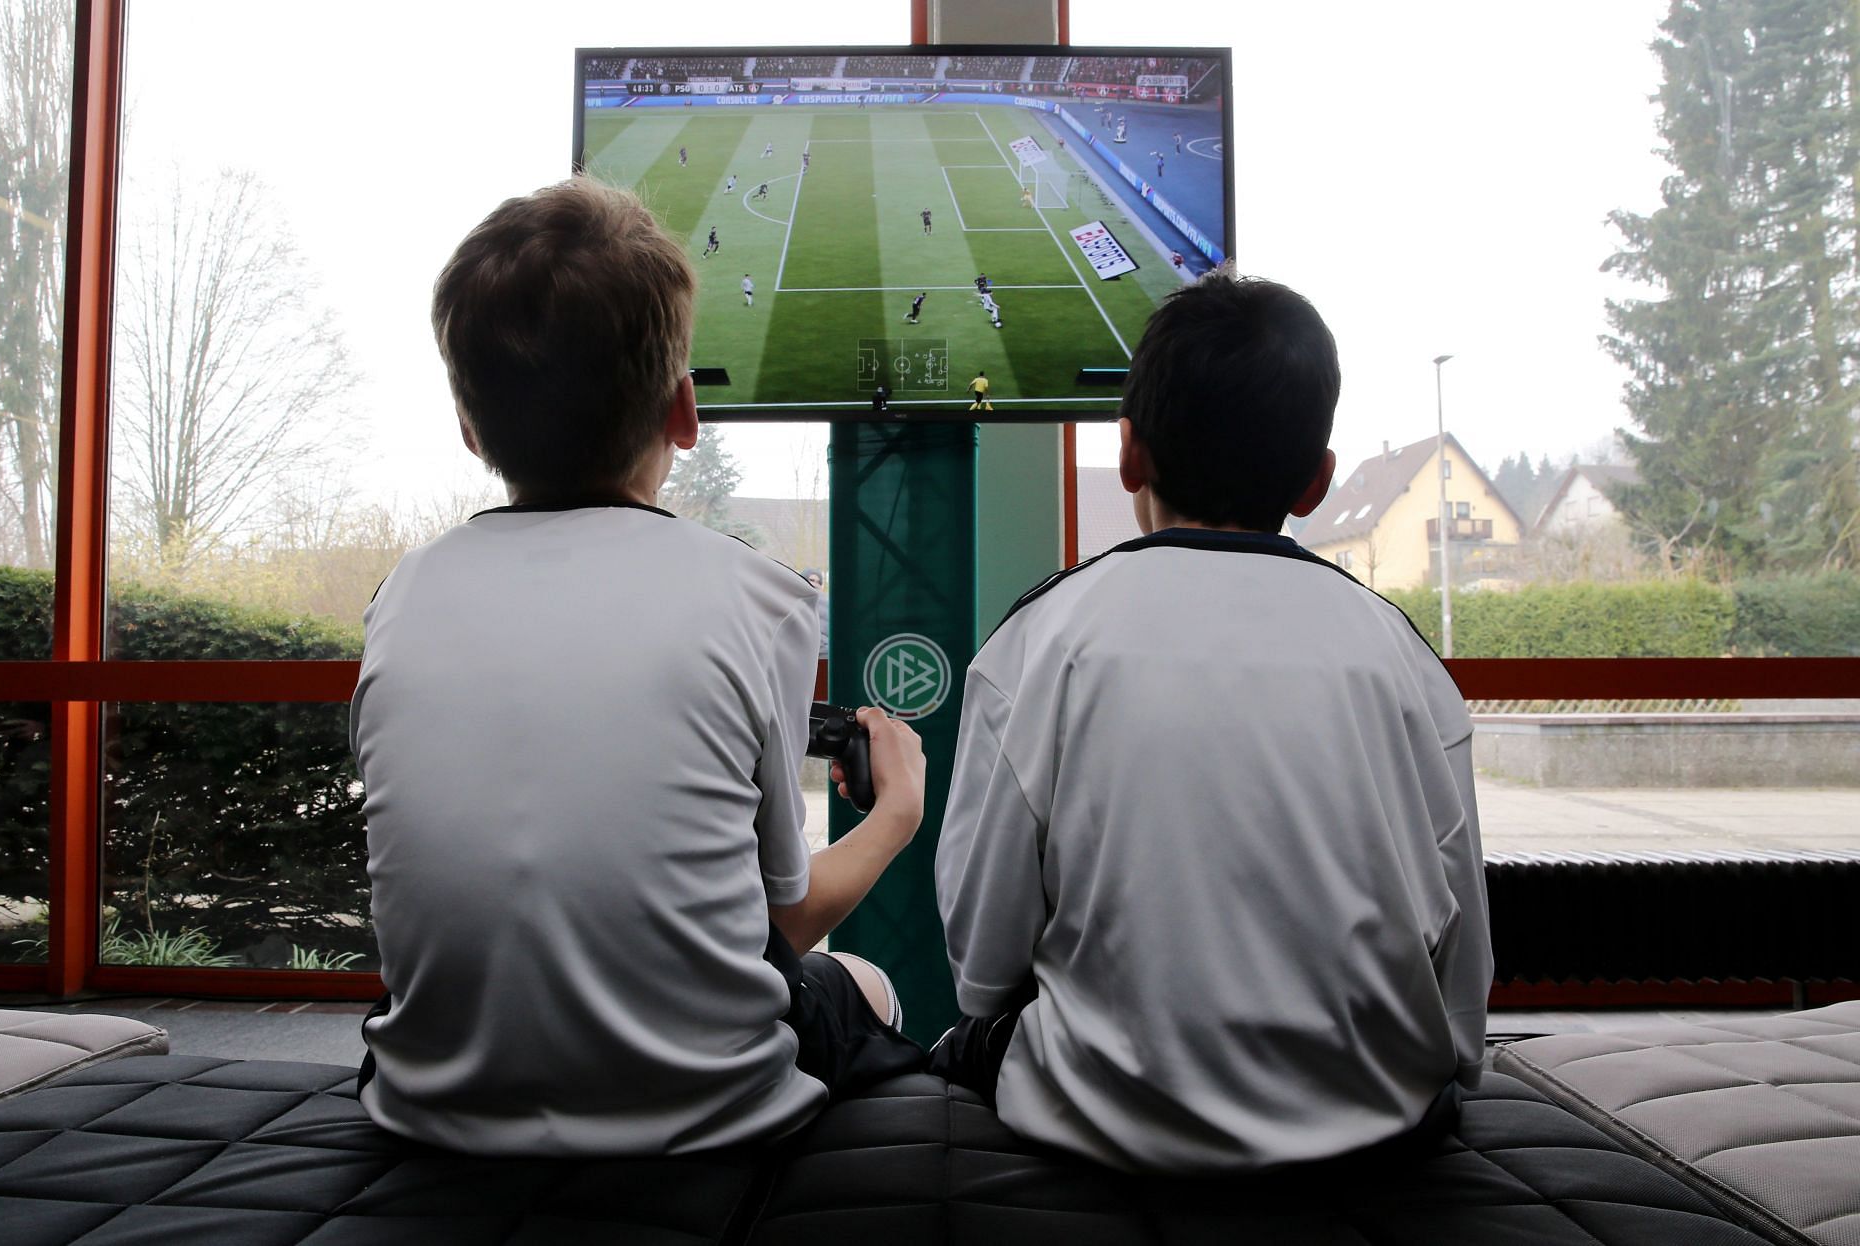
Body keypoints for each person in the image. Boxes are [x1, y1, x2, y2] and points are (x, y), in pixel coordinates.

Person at [353, 176, 928, 1159]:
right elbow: (785, 922)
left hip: (425, 1100)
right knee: (864, 984)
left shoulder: (400, 597)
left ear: (469, 426)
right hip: (708, 1112)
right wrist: (896, 812)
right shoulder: (761, 597)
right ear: (684, 408)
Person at [932, 270, 1491, 1175]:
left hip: (1100, 1123)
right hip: (1380, 1130)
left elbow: (984, 974)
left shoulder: (1039, 642)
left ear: (1129, 455)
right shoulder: (1406, 663)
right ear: (1317, 482)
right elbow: (1463, 1020)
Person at [802, 569, 829, 659]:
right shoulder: (796, 602)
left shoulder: (829, 602)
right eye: (811, 580)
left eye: (819, 582)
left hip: (823, 654)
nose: (815, 584)